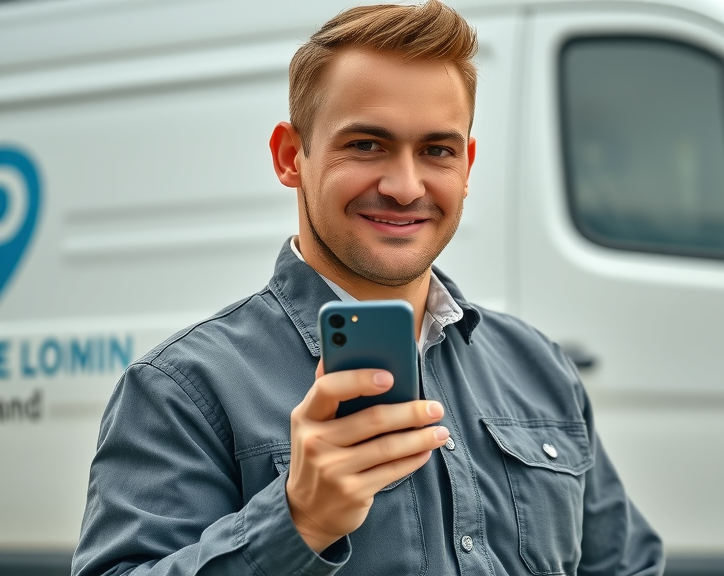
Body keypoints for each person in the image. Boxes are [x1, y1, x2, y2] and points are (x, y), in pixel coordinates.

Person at [71, 1, 664, 574]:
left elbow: (627, 564)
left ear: (467, 165)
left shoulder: (537, 366)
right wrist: (296, 521)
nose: (406, 186)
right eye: (366, 145)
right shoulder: (182, 391)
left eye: (437, 150)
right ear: (289, 157)